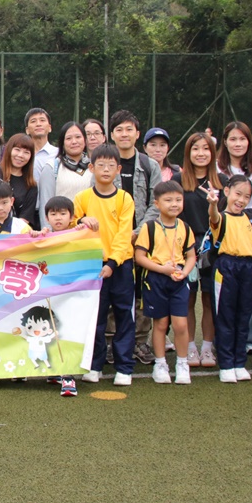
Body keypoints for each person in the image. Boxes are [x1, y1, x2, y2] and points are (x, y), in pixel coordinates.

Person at [73, 145, 135, 386]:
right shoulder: (82, 198)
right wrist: (81, 220)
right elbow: (69, 224)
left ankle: (124, 367)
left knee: (123, 316)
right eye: (101, 165)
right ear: (91, 168)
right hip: (92, 266)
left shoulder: (124, 198)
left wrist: (112, 263)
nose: (106, 170)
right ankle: (94, 365)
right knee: (95, 318)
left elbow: (124, 235)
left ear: (118, 169)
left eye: (111, 165)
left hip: (120, 266)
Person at [108, 110, 161, 364]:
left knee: (142, 290)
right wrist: (121, 235)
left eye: (129, 129)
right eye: (119, 130)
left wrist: (138, 232)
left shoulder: (150, 166)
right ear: (112, 135)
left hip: (143, 240)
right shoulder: (106, 163)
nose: (124, 134)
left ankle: (140, 341)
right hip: (112, 241)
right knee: (112, 291)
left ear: (137, 134)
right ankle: (111, 341)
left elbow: (156, 203)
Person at [134, 181, 196, 386]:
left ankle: (182, 363)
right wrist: (162, 269)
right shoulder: (150, 227)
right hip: (156, 279)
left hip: (178, 280)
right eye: (168, 200)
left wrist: (184, 272)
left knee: (180, 324)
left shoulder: (185, 227)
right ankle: (160, 364)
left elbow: (191, 256)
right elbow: (140, 257)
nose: (174, 204)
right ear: (157, 203)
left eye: (178, 200)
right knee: (160, 324)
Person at [209, 175, 252, 384]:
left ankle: (239, 363)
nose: (241, 200)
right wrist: (213, 204)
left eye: (246, 196)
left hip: (247, 268)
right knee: (225, 317)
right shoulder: (221, 217)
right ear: (227, 192)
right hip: (226, 267)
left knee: (244, 317)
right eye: (238, 194)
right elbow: (213, 217)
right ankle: (226, 364)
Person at [173, 133, 221, 369]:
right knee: (188, 299)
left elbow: (223, 219)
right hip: (186, 247)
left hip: (214, 249)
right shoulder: (178, 180)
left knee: (210, 298)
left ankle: (208, 348)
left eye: (206, 149)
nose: (201, 153)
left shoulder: (222, 181)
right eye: (195, 149)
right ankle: (190, 347)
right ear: (188, 153)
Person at [36, 121, 95, 224]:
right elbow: (45, 203)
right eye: (68, 138)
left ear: (85, 140)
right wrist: (48, 231)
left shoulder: (94, 167)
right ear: (62, 142)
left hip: (89, 228)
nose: (74, 141)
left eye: (78, 137)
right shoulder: (52, 167)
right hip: (61, 230)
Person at [217, 121, 252, 209]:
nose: (238, 144)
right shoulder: (215, 168)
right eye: (233, 139)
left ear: (248, 142)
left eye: (242, 139)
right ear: (225, 142)